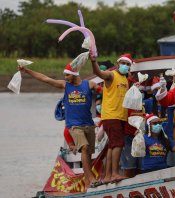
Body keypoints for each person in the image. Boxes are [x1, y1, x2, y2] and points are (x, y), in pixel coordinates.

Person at [18, 63, 101, 188]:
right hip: (74, 125)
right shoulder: (65, 85)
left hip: (88, 124)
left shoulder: (89, 84)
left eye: (67, 74)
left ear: (74, 74)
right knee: (84, 147)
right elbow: (45, 79)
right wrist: (27, 71)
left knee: (88, 153)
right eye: (65, 75)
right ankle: (91, 177)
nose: (65, 77)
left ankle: (88, 182)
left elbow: (107, 91)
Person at [90, 53, 133, 183]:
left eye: (128, 64)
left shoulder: (125, 79)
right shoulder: (111, 75)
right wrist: (93, 61)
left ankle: (108, 176)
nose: (125, 66)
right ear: (117, 63)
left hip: (120, 117)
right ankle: (114, 174)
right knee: (118, 144)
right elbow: (98, 72)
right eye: (123, 63)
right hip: (111, 116)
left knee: (111, 146)